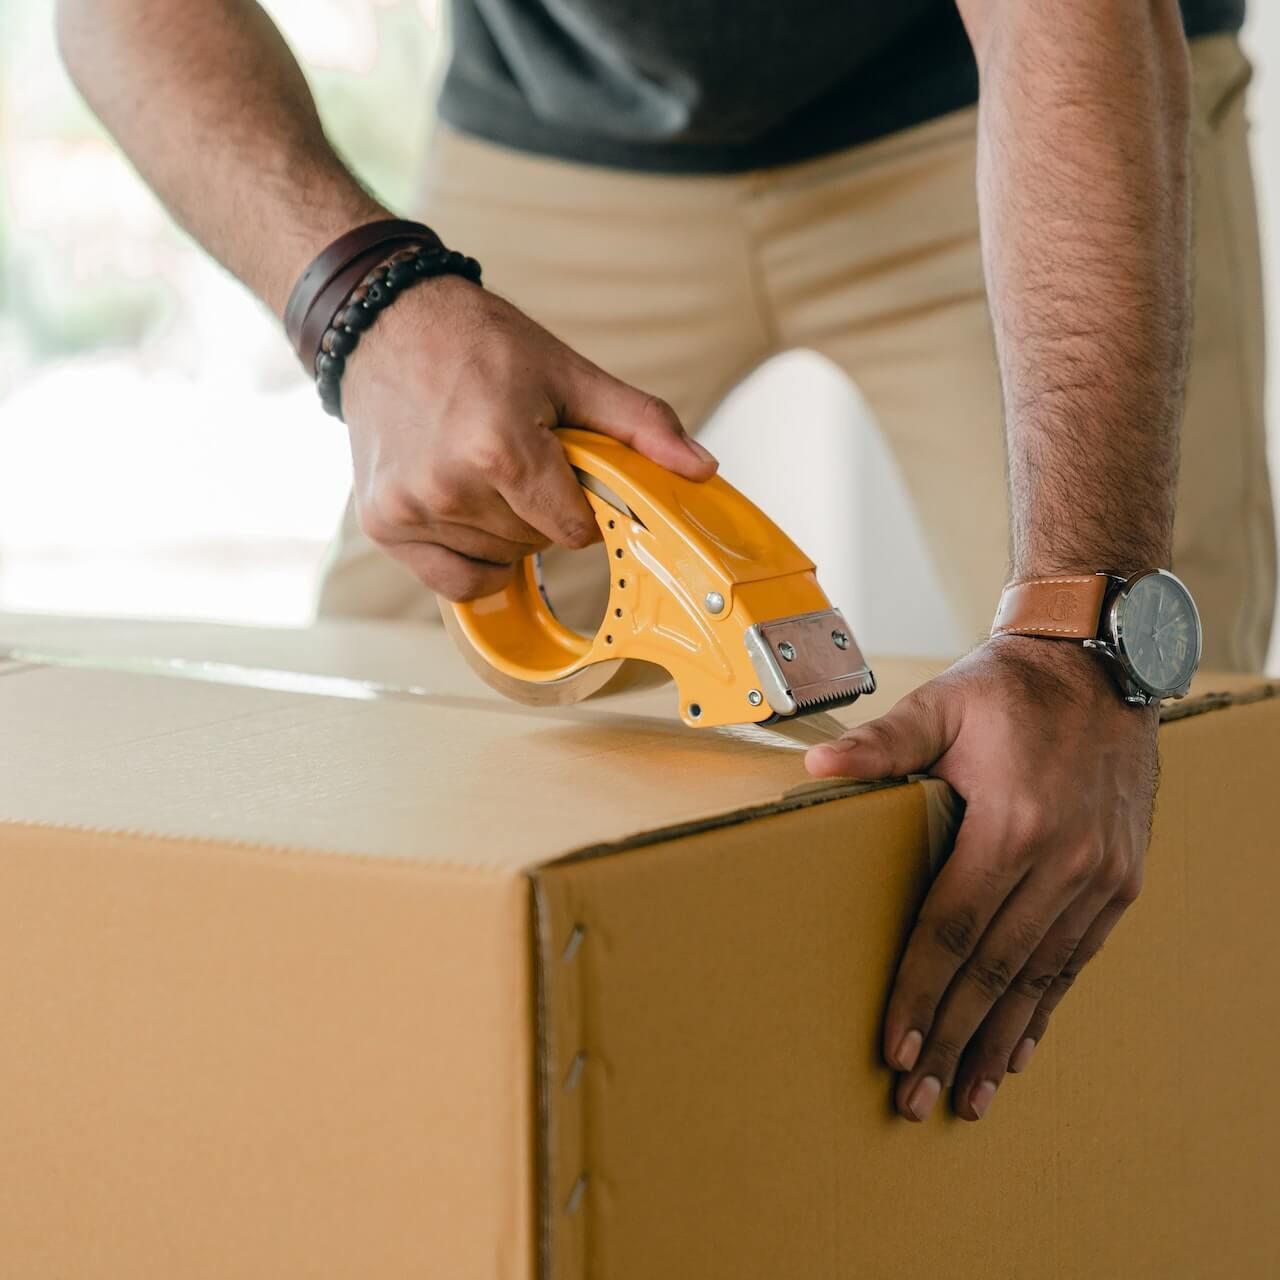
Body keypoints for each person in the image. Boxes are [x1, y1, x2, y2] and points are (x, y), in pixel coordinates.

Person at [58, 0, 1272, 1125]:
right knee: (394, 730)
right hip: (566, 127)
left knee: (1147, 753)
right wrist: (366, 302)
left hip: (1000, 97)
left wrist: (1079, 620)